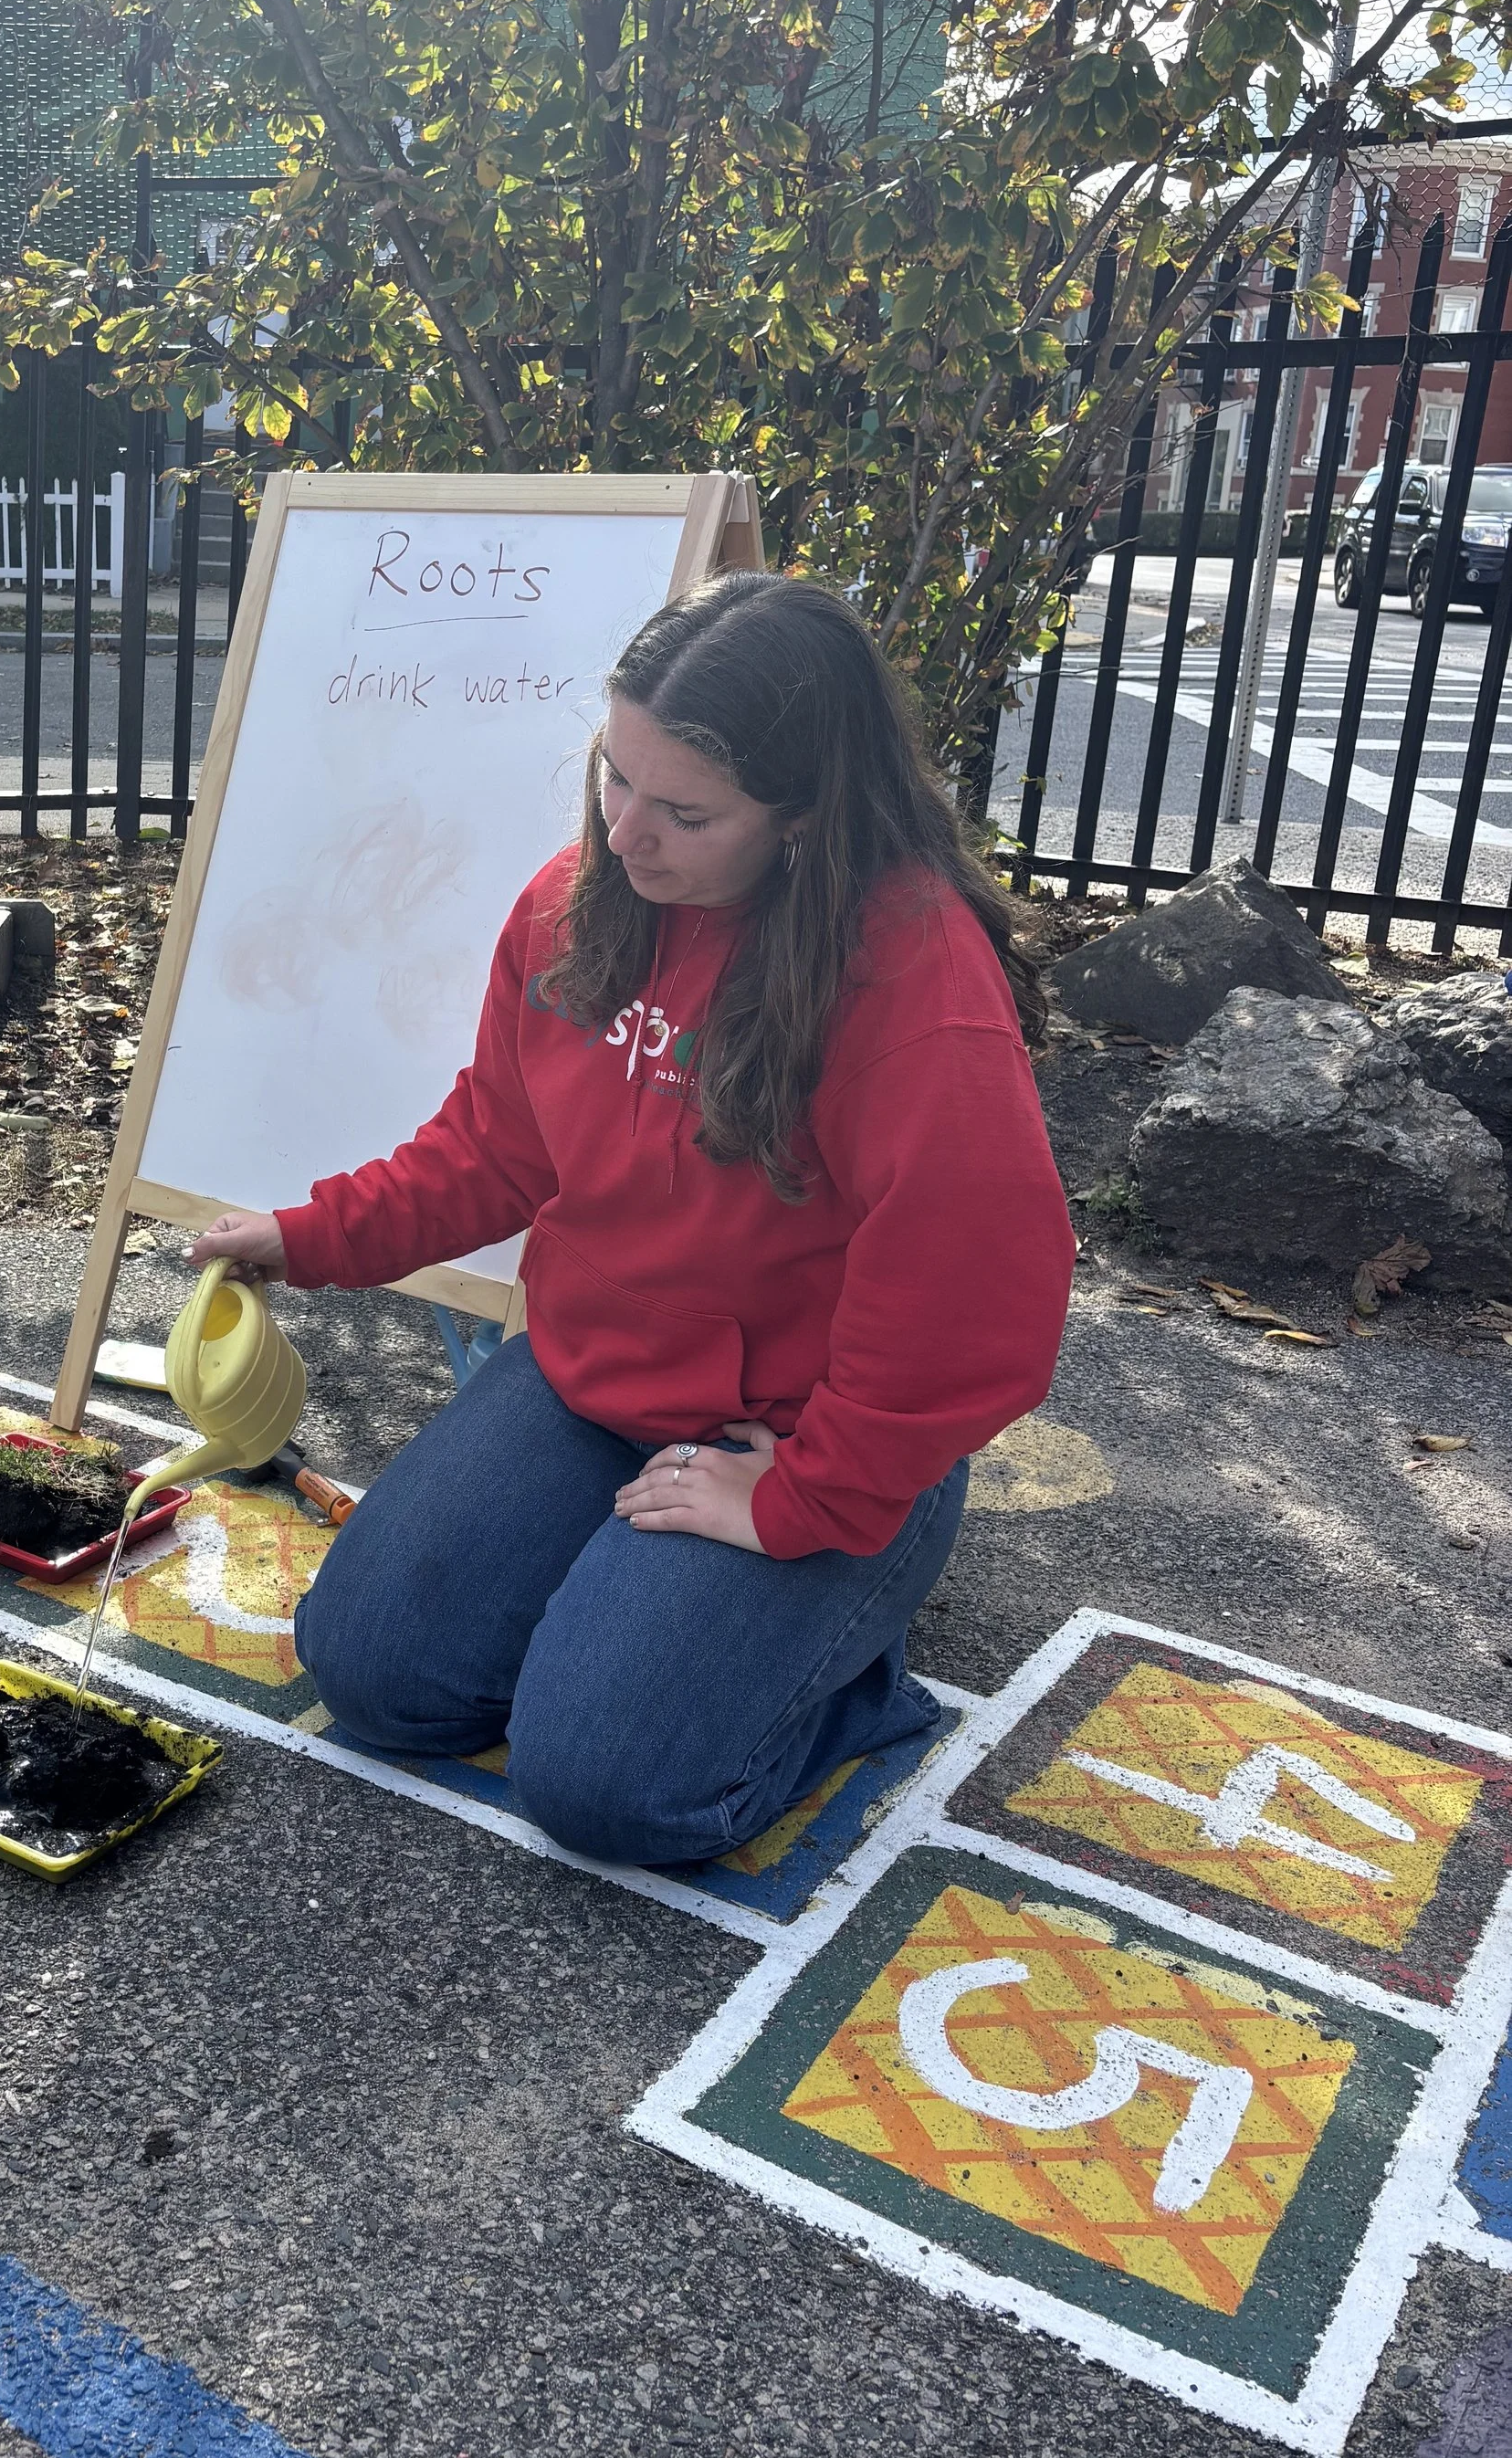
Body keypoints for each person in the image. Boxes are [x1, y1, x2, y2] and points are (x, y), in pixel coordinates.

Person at [188, 571, 1074, 1871]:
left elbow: (976, 1299)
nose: (627, 834)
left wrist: (804, 1497)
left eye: (684, 811)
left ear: (806, 818)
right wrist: (309, 1234)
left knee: (609, 1790)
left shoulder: (912, 975)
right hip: (592, 1380)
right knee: (375, 1677)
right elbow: (493, 1147)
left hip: (797, 1429)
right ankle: (648, 1616)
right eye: (613, 776)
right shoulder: (580, 898)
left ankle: (844, 1669)